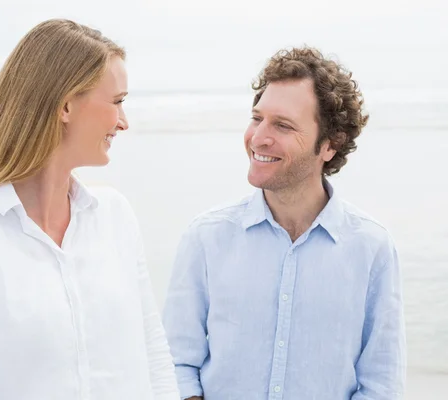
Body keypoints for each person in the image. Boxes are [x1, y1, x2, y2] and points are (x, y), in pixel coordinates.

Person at [0, 19, 179, 400]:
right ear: (66, 105)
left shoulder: (115, 216)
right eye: (117, 102)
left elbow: (153, 355)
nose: (124, 122)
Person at [162, 47, 406, 399]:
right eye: (257, 118)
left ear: (329, 145)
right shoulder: (206, 237)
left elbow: (381, 383)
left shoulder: (372, 247)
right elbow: (176, 363)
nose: (259, 137)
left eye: (283, 125)